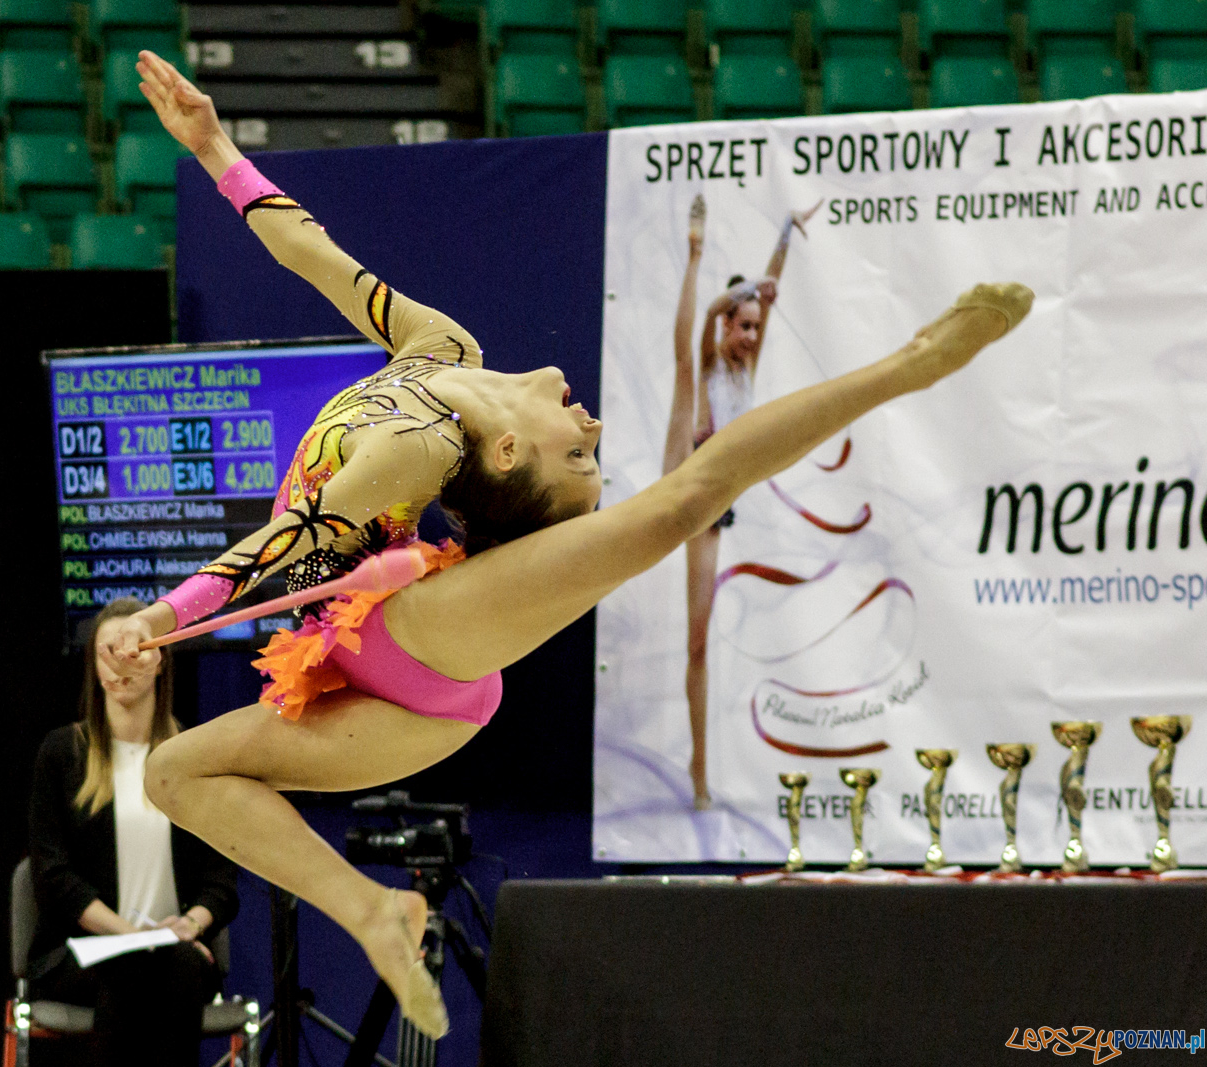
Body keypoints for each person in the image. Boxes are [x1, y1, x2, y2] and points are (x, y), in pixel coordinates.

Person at [110, 49, 1033, 1038]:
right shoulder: (443, 349)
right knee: (172, 773)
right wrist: (217, 151)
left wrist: (161, 616)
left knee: (672, 510)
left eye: (578, 458)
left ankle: (909, 366)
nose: (593, 430)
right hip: (362, 648)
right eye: (593, 451)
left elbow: (282, 542)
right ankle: (370, 909)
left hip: (414, 659)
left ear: (505, 454)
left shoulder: (420, 445)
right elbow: (317, 253)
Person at [27, 597, 239, 1067]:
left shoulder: (194, 759)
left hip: (176, 951)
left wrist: (191, 924)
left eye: (135, 649)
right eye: (109, 651)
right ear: (93, 665)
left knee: (172, 967)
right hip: (81, 954)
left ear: (159, 659)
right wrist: (131, 935)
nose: (121, 663)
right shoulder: (63, 753)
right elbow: (53, 877)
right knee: (135, 967)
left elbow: (222, 880)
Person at [662, 194, 821, 809]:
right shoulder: (708, 362)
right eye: (743, 326)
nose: (752, 337)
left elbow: (769, 291)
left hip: (714, 504)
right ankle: (700, 776)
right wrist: (701, 256)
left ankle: (699, 772)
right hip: (684, 496)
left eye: (756, 328)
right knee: (697, 644)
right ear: (728, 325)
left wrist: (785, 232)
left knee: (698, 644)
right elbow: (701, 318)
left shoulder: (744, 370)